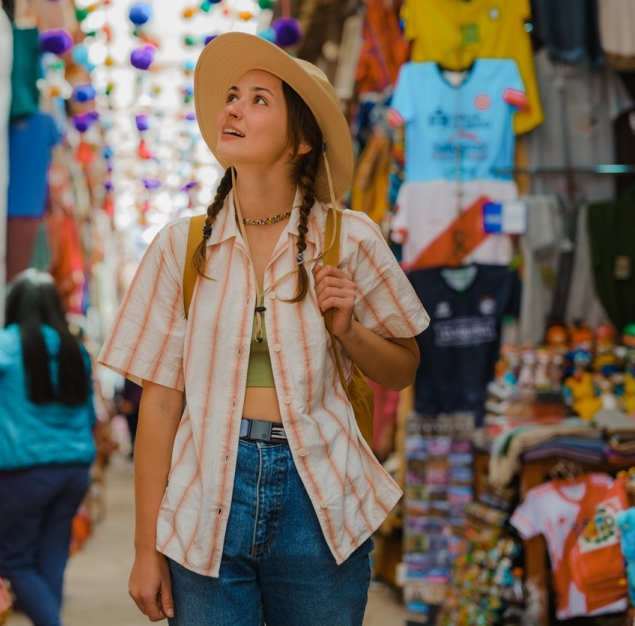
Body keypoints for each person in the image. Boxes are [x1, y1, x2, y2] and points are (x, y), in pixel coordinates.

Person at [99, 32, 431, 625]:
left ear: (301, 139)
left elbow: (404, 367)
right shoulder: (181, 248)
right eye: (232, 96)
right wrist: (145, 551)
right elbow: (161, 401)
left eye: (258, 100)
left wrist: (349, 330)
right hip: (207, 496)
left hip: (320, 498)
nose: (233, 108)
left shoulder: (349, 239)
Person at [0, 270, 96, 626]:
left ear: (13, 305)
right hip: (74, 471)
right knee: (52, 556)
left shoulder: (4, 343)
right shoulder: (74, 348)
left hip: (25, 471)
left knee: (15, 562)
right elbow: (90, 414)